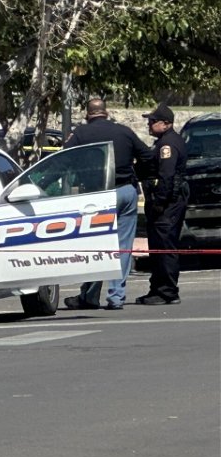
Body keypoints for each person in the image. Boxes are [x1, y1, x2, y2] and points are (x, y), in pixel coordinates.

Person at [61, 99, 152, 311]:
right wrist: (133, 173)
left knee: (96, 246)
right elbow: (148, 156)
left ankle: (90, 296)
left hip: (96, 195)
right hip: (125, 191)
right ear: (106, 112)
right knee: (123, 247)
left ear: (88, 114)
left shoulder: (81, 134)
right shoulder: (124, 131)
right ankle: (116, 297)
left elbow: (63, 160)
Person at [136, 104, 188, 305]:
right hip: (162, 203)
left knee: (165, 244)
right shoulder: (162, 142)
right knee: (157, 245)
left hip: (167, 204)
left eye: (153, 121)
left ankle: (167, 291)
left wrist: (159, 203)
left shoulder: (168, 145)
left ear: (166, 124)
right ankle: (157, 288)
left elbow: (166, 177)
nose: (149, 125)